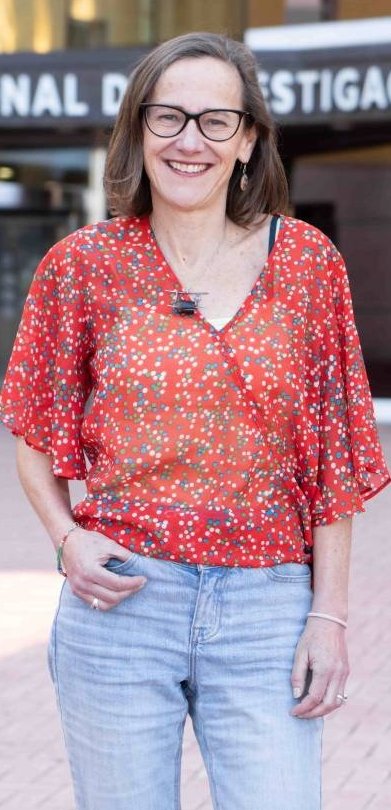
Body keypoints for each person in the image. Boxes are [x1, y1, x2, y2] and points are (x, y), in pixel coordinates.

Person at [0, 32, 389, 810]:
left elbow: (334, 456)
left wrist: (330, 615)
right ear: (137, 130)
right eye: (168, 117)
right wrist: (67, 536)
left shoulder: (306, 263)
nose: (189, 141)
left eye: (216, 121)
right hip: (121, 605)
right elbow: (33, 426)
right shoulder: (82, 265)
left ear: (247, 141)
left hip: (266, 605)